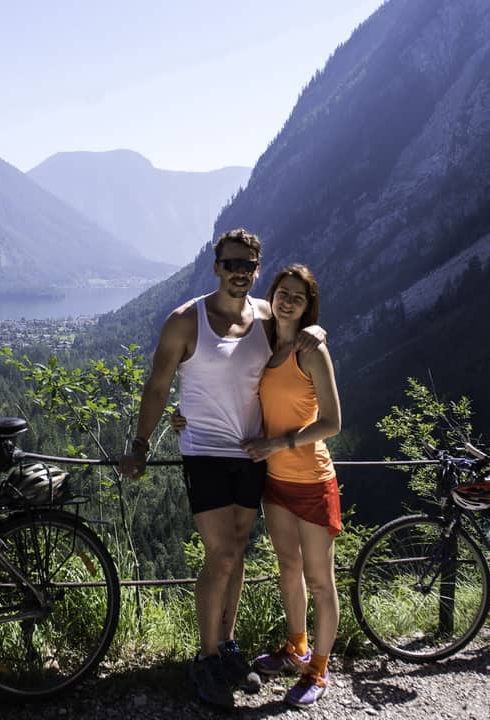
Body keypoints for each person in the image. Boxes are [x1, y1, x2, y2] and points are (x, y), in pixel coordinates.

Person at [118, 230, 325, 709]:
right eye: (232, 263)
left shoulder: (268, 317)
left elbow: (300, 334)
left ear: (257, 269)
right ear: (215, 266)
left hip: (252, 453)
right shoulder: (185, 321)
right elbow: (157, 387)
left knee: (238, 552)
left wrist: (318, 330)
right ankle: (206, 657)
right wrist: (142, 443)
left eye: (249, 265)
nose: (240, 272)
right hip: (204, 451)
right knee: (223, 554)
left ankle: (228, 647)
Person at [242, 264, 342, 706]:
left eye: (298, 297)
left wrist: (279, 442)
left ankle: (318, 669)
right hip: (275, 479)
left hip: (311, 480)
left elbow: (333, 423)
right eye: (282, 292)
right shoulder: (266, 342)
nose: (287, 301)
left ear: (308, 304)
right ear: (273, 296)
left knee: (321, 581)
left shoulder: (310, 350)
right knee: (288, 569)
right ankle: (297, 648)